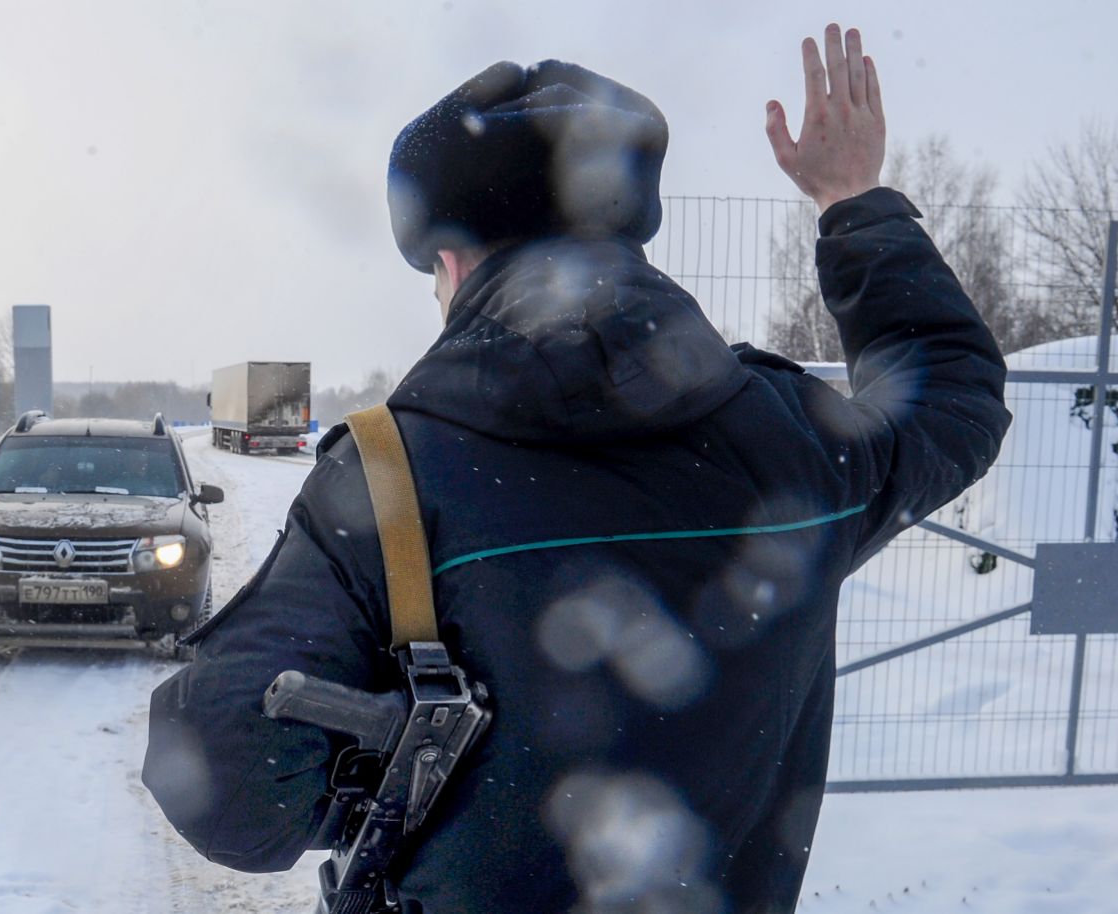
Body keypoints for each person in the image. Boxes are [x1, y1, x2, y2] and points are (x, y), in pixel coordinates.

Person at [143, 24, 1010, 914]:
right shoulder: (792, 441)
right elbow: (955, 405)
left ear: (449, 259)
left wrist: (407, 768)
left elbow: (231, 787)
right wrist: (851, 199)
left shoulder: (391, 475)